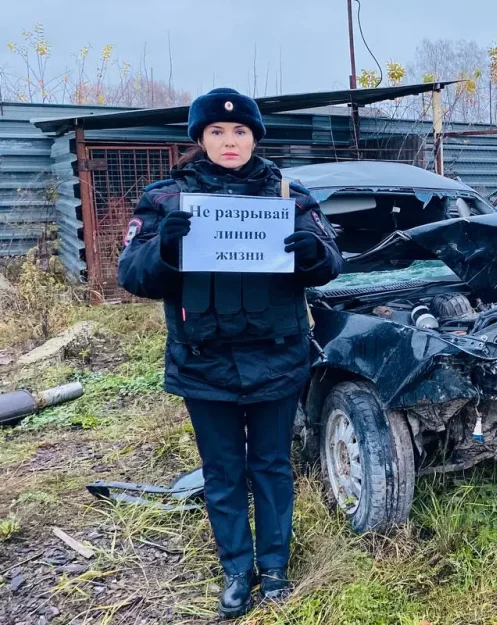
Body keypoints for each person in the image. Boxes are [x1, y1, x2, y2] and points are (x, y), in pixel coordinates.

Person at [117, 88, 343, 618]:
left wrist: (313, 256)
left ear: (255, 137)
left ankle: (276, 570)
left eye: (240, 131)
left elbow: (332, 260)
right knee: (223, 471)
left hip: (277, 357)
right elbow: (132, 274)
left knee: (271, 466)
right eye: (217, 132)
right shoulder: (166, 198)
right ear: (199, 138)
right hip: (205, 361)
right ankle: (237, 571)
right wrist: (163, 248)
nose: (230, 140)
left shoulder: (289, 193)